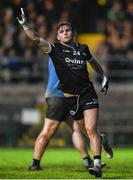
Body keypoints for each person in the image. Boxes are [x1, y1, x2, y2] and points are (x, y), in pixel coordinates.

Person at [17, 8, 109, 177]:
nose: (65, 32)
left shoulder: (82, 49)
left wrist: (103, 76)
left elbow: (93, 62)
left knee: (85, 130)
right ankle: (36, 162)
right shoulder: (55, 51)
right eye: (61, 31)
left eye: (68, 30)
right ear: (57, 37)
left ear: (73, 33)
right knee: (66, 130)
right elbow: (37, 39)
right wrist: (25, 25)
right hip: (62, 97)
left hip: (84, 94)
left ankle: (93, 162)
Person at [28, 57, 113, 171]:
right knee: (74, 130)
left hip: (57, 96)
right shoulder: (72, 53)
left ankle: (35, 163)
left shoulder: (54, 51)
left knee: (52, 130)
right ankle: (94, 149)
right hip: (67, 96)